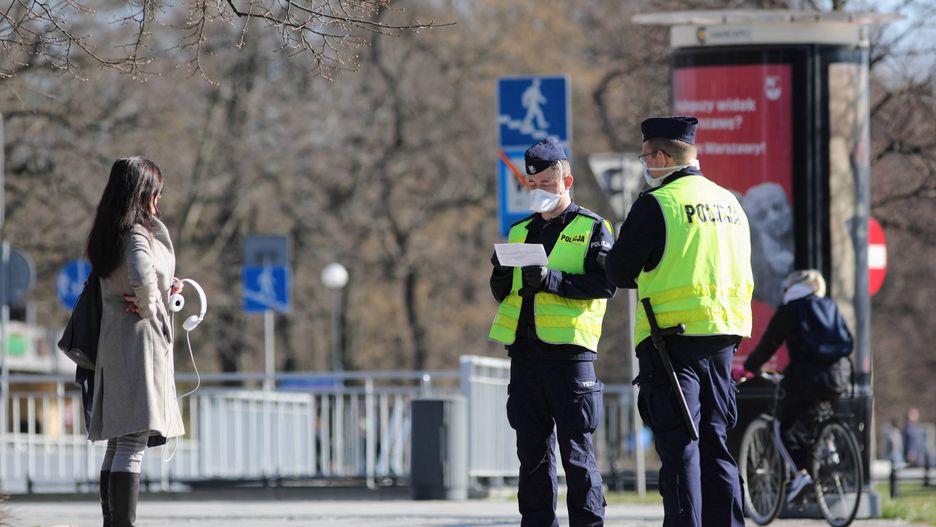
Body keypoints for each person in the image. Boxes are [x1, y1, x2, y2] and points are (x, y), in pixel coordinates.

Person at [604, 116, 753, 527]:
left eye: (646, 157)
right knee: (716, 444)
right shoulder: (730, 202)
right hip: (723, 340)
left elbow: (618, 271)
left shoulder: (658, 204)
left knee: (680, 446)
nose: (645, 165)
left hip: (671, 343)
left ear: (662, 155)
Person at [489, 137, 615, 527]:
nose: (539, 192)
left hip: (570, 358)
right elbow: (502, 292)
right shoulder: (519, 230)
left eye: (547, 184)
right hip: (525, 356)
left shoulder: (593, 227)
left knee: (577, 454)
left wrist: (552, 280)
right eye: (533, 185)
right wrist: (499, 269)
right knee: (532, 456)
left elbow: (606, 284)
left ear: (567, 180)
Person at [86, 157, 185, 526]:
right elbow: (143, 276)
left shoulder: (109, 232)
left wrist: (162, 288)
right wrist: (150, 305)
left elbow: (139, 279)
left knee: (119, 441)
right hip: (139, 346)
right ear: (143, 193)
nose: (158, 202)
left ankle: (112, 522)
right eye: (156, 194)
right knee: (132, 442)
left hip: (114, 343)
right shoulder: (137, 234)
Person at [741, 270, 852, 502]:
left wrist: (749, 367)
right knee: (816, 418)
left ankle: (802, 475)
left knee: (782, 425)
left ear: (790, 288)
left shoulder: (790, 309)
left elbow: (769, 343)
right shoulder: (829, 305)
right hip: (839, 376)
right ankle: (828, 453)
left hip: (807, 378)